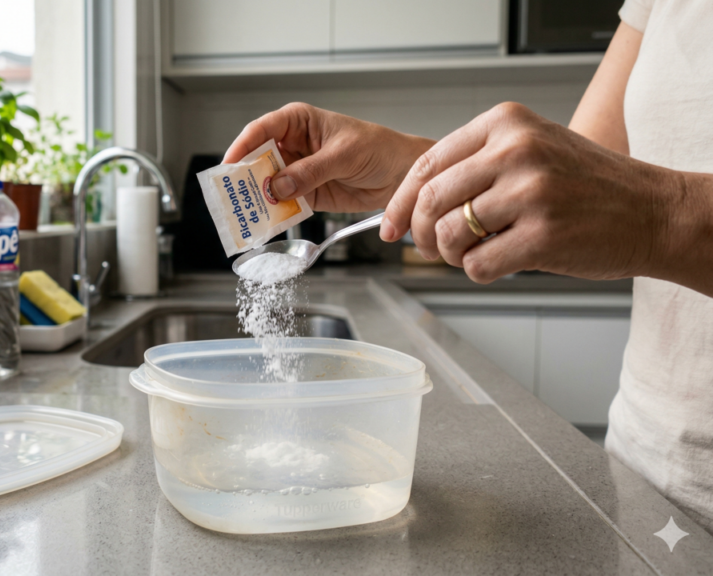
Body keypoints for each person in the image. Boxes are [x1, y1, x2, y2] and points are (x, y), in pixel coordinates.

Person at [224, 0, 713, 533]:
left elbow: (613, 196)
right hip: (642, 471)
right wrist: (412, 171)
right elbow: (578, 187)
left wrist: (659, 216)